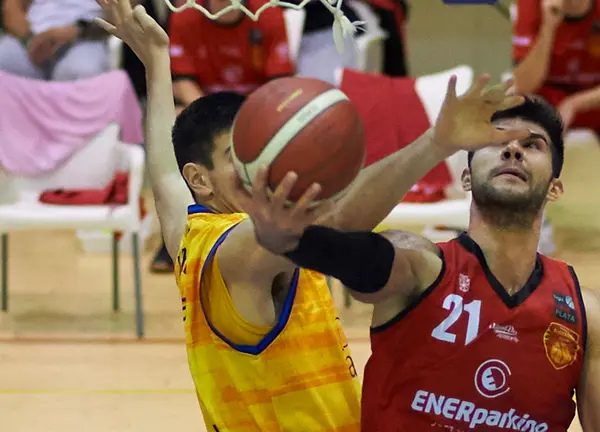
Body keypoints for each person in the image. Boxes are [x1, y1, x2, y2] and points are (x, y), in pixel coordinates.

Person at [95, 0, 527, 429]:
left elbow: (167, 175)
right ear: (202, 180)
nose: (258, 165)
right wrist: (434, 144)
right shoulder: (237, 248)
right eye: (238, 155)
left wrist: (155, 60)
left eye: (261, 151)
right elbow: (336, 224)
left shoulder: (186, 235)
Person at [252, 96, 600, 431]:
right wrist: (295, 241)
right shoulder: (422, 269)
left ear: (554, 186)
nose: (513, 150)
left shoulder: (583, 313)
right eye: (496, 141)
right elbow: (347, 245)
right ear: (466, 178)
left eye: (533, 145)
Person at [149, 0, 296, 273]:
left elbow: (278, 84)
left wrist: (243, 117)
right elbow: (182, 81)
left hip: (258, 108)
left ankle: (281, 227)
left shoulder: (268, 13)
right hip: (207, 107)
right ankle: (179, 229)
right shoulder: (185, 14)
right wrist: (213, 119)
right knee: (179, 124)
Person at [513, 0, 600, 263]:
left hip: (598, 98)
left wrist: (576, 104)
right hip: (547, 101)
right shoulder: (530, 5)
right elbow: (523, 83)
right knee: (521, 115)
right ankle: (536, 218)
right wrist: (549, 28)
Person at [0, 0, 111, 80]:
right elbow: (11, 7)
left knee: (83, 73)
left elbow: (119, 19)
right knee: (3, 62)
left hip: (85, 38)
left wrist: (79, 30)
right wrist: (30, 41)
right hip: (32, 37)